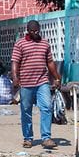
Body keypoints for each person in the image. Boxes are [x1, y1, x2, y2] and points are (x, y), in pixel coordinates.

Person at [11, 20, 61, 149]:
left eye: (37, 31)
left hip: (42, 81)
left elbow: (49, 62)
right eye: (32, 31)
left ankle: (46, 137)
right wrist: (15, 78)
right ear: (28, 30)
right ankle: (28, 138)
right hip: (26, 83)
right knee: (26, 110)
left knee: (46, 107)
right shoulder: (20, 44)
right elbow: (15, 62)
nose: (35, 33)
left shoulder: (44, 43)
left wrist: (56, 77)